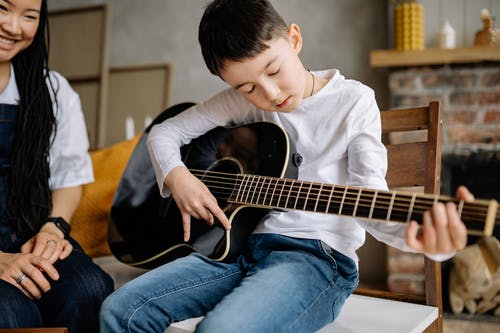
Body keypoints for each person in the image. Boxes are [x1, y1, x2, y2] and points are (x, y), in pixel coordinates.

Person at [100, 0, 471, 332]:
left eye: (274, 71)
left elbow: (371, 201)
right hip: (237, 250)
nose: (269, 94)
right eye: (247, 88)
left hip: (316, 261)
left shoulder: (354, 102)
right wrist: (178, 176)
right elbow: (164, 133)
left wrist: (427, 242)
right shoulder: (244, 104)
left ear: (294, 39)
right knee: (120, 310)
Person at [0, 0, 114, 331]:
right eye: (3, 8)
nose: (14, 26)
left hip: (31, 233)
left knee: (88, 290)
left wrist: (52, 228)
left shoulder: (54, 90)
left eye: (30, 16)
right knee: (11, 312)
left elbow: (69, 175)